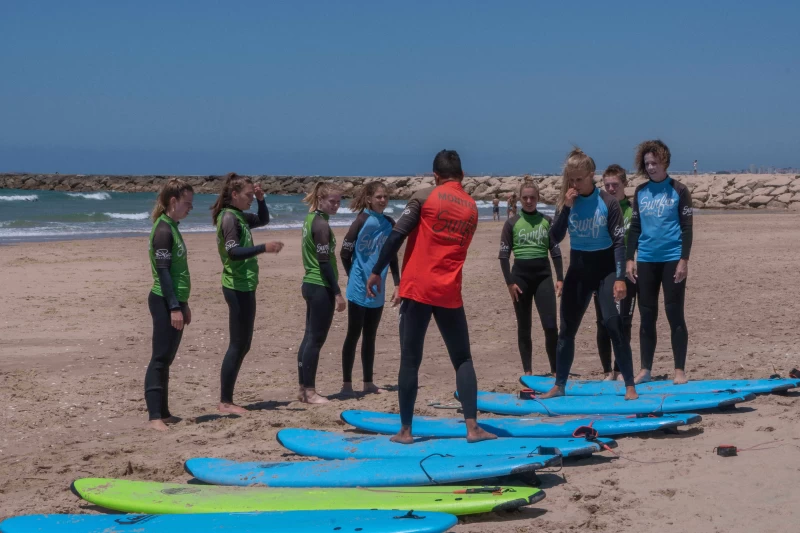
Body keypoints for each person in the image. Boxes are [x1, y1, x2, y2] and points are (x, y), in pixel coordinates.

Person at [366, 149, 496, 444]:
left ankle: (406, 431)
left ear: (435, 176)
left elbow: (396, 235)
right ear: (462, 176)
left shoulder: (425, 197)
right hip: (449, 290)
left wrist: (376, 271)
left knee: (410, 360)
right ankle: (473, 427)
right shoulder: (473, 208)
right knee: (462, 358)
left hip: (418, 289)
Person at [538, 148, 638, 401]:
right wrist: (567, 207)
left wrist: (619, 278)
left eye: (579, 179)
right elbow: (556, 237)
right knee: (567, 330)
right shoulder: (568, 202)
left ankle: (629, 385)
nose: (574, 184)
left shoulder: (608, 202)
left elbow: (618, 243)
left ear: (591, 175)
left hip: (605, 270)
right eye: (571, 179)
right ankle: (559, 385)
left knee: (614, 325)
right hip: (579, 270)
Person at [212, 173, 284, 415]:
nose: (251, 199)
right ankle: (225, 402)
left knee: (244, 344)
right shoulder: (230, 218)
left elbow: (263, 220)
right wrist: (263, 248)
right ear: (234, 195)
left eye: (253, 195)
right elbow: (233, 252)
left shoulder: (239, 216)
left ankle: (227, 400)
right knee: (237, 344)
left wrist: (263, 200)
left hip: (246, 284)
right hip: (236, 285)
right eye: (249, 195)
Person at [626, 140, 693, 385]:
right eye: (647, 164)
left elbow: (687, 228)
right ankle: (645, 369)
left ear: (664, 161)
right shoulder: (641, 192)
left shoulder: (679, 190)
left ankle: (679, 370)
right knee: (647, 316)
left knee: (674, 313)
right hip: (645, 260)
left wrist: (684, 260)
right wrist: (629, 259)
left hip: (671, 259)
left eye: (655, 162)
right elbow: (634, 228)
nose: (651, 167)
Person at [339, 182, 401, 395]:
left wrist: (397, 283)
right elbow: (344, 252)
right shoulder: (361, 220)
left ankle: (368, 383)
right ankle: (347, 384)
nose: (382, 200)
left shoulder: (390, 223)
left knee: (371, 335)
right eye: (378, 197)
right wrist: (353, 276)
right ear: (369, 199)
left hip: (378, 287)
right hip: (358, 287)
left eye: (385, 197)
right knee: (353, 334)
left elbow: (391, 254)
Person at [498, 179, 563, 375]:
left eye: (532, 197)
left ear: (538, 198)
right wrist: (509, 283)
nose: (528, 201)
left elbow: (556, 252)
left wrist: (560, 278)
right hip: (520, 279)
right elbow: (503, 256)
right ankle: (528, 371)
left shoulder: (547, 221)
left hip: (543, 277)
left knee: (550, 326)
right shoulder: (511, 223)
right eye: (525, 197)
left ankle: (554, 370)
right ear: (519, 199)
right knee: (524, 327)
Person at [145, 179, 194, 431]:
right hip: (163, 301)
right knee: (160, 359)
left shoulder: (172, 226)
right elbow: (163, 272)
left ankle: (163, 412)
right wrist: (174, 306)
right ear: (173, 201)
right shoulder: (163, 230)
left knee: (167, 359)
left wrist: (182, 304)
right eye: (187, 203)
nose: (190, 208)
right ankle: (154, 416)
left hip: (174, 300)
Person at [298, 181, 346, 404]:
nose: (336, 205)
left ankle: (302, 389)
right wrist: (337, 292)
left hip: (310, 283)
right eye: (332, 201)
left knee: (308, 337)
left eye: (339, 201)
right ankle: (309, 391)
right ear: (320, 200)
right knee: (315, 340)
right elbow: (325, 263)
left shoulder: (311, 220)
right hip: (320, 285)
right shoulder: (321, 225)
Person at [593, 164, 636, 381]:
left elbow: (638, 240)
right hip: (602, 271)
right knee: (603, 322)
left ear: (624, 185)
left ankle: (620, 369)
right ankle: (607, 371)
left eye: (615, 185)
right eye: (607, 185)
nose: (610, 189)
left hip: (627, 273)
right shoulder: (599, 210)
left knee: (623, 321)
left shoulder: (632, 211)